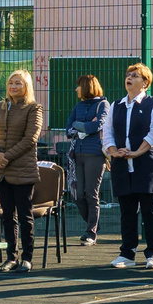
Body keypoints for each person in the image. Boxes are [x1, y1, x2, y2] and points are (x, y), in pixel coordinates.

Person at [104, 62, 153, 269]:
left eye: (135, 75)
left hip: (147, 165)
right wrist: (114, 151)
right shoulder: (116, 105)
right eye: (128, 74)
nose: (129, 77)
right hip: (123, 165)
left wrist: (137, 152)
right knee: (127, 211)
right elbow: (107, 134)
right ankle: (127, 254)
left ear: (145, 83)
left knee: (150, 210)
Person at [0, 70, 43, 272]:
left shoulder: (34, 108)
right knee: (8, 216)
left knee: (25, 215)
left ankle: (27, 257)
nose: (13, 86)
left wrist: (6, 156)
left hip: (23, 170)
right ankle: (11, 257)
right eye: (11, 83)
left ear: (26, 86)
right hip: (1, 171)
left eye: (18, 83)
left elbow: (30, 139)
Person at [60, 74, 107, 247]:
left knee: (91, 193)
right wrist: (84, 127)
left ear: (87, 87)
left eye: (79, 86)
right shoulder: (79, 105)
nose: (76, 89)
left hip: (95, 155)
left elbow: (99, 125)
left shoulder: (103, 104)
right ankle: (93, 223)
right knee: (78, 194)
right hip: (77, 154)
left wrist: (81, 126)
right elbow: (68, 128)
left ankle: (91, 232)